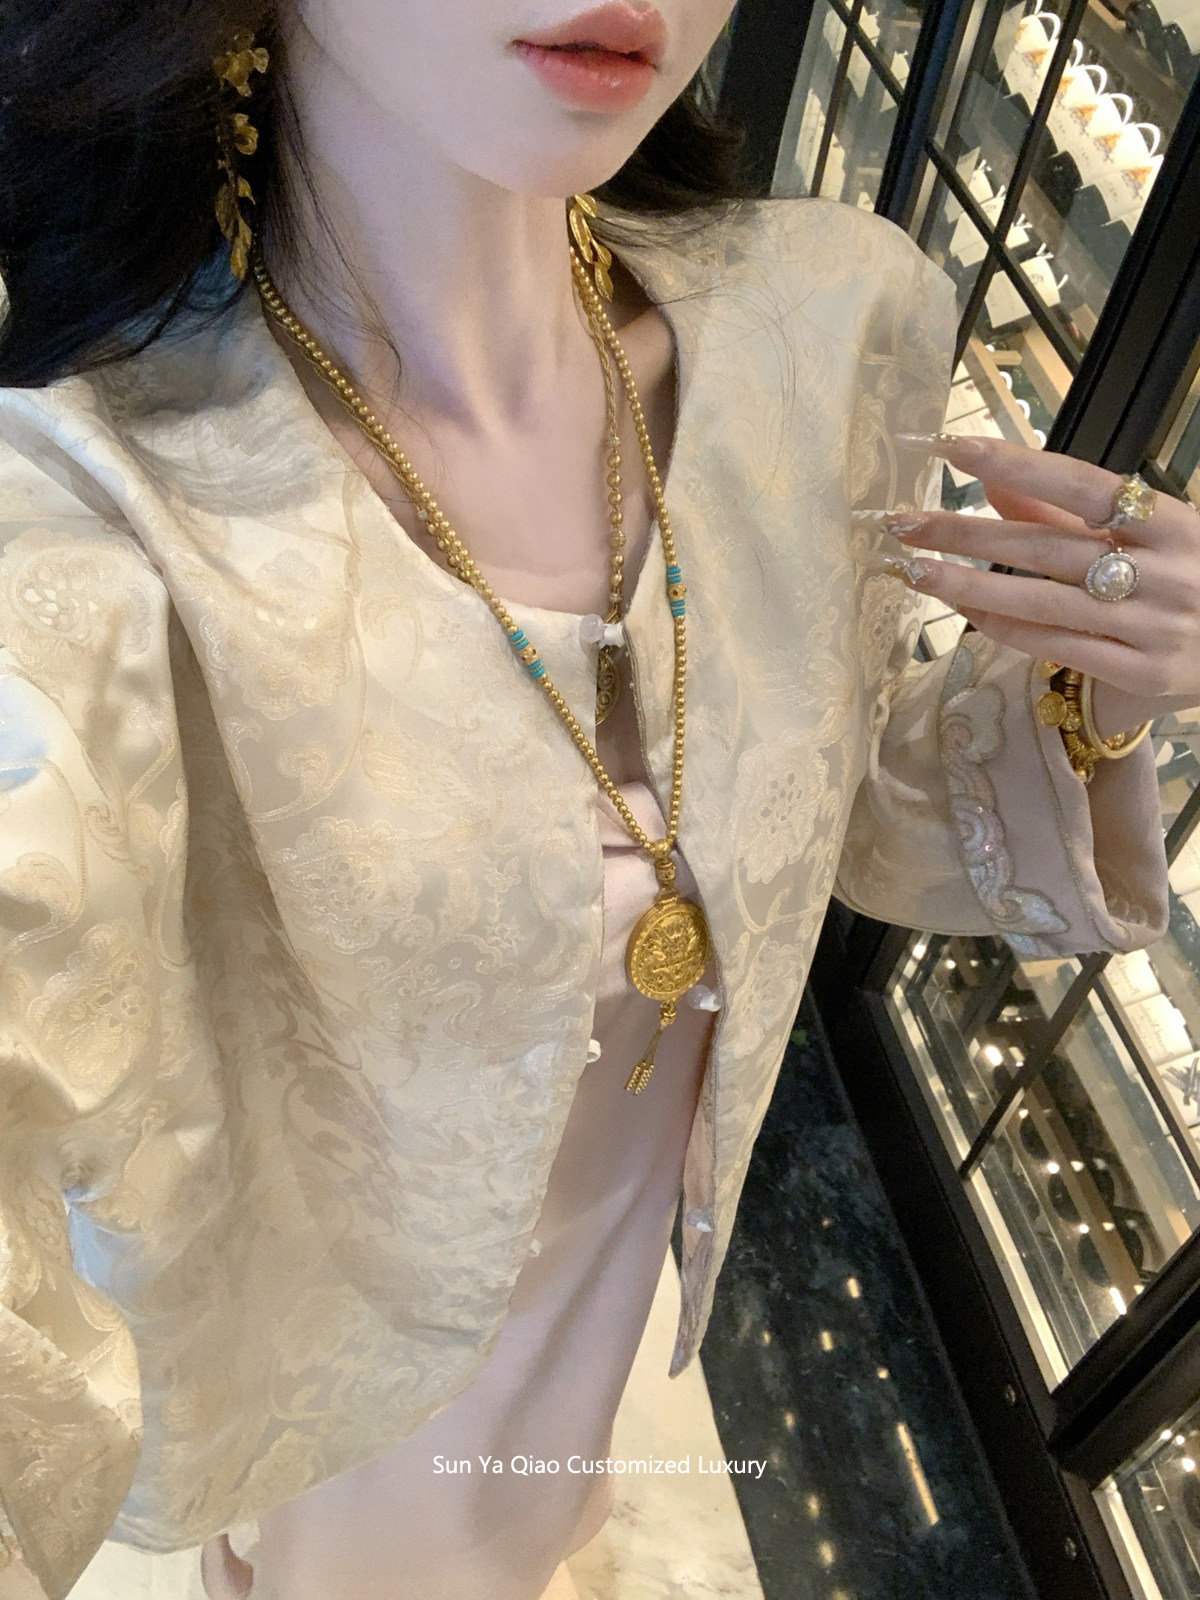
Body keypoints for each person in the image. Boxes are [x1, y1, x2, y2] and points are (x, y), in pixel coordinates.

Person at [0, 2, 1197, 1598]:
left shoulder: (828, 322)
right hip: (334, 1378)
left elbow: (844, 827)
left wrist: (1093, 677)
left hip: (622, 1262)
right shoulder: (88, 519)